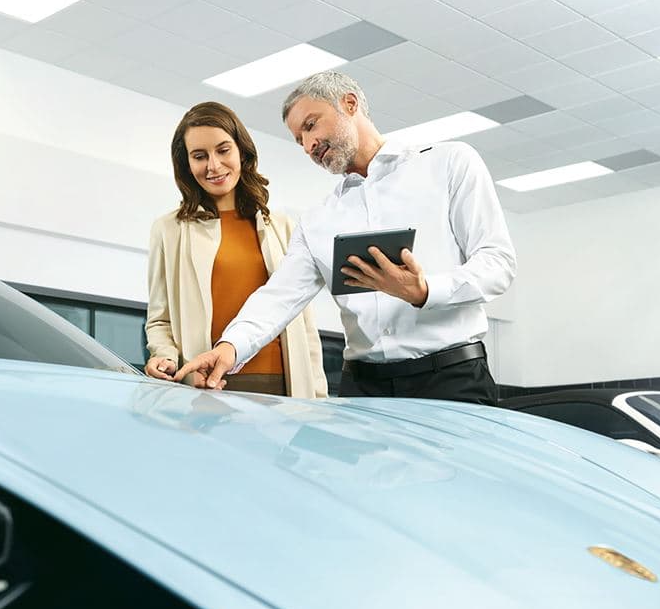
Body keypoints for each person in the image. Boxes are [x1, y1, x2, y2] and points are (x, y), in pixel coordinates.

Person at [172, 71, 515, 404]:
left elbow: (497, 263)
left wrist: (424, 290)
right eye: (299, 140)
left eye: (311, 125)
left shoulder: (449, 163)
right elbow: (278, 296)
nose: (309, 145)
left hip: (450, 379)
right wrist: (229, 347)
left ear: (350, 104)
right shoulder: (318, 219)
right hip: (364, 389)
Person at [144, 101, 328, 399]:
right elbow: (160, 319)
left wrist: (318, 396)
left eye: (223, 150)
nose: (213, 166)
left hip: (284, 385)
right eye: (199, 156)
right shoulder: (169, 230)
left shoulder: (282, 226)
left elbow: (304, 321)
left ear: (241, 151)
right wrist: (163, 356)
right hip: (207, 384)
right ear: (186, 164)